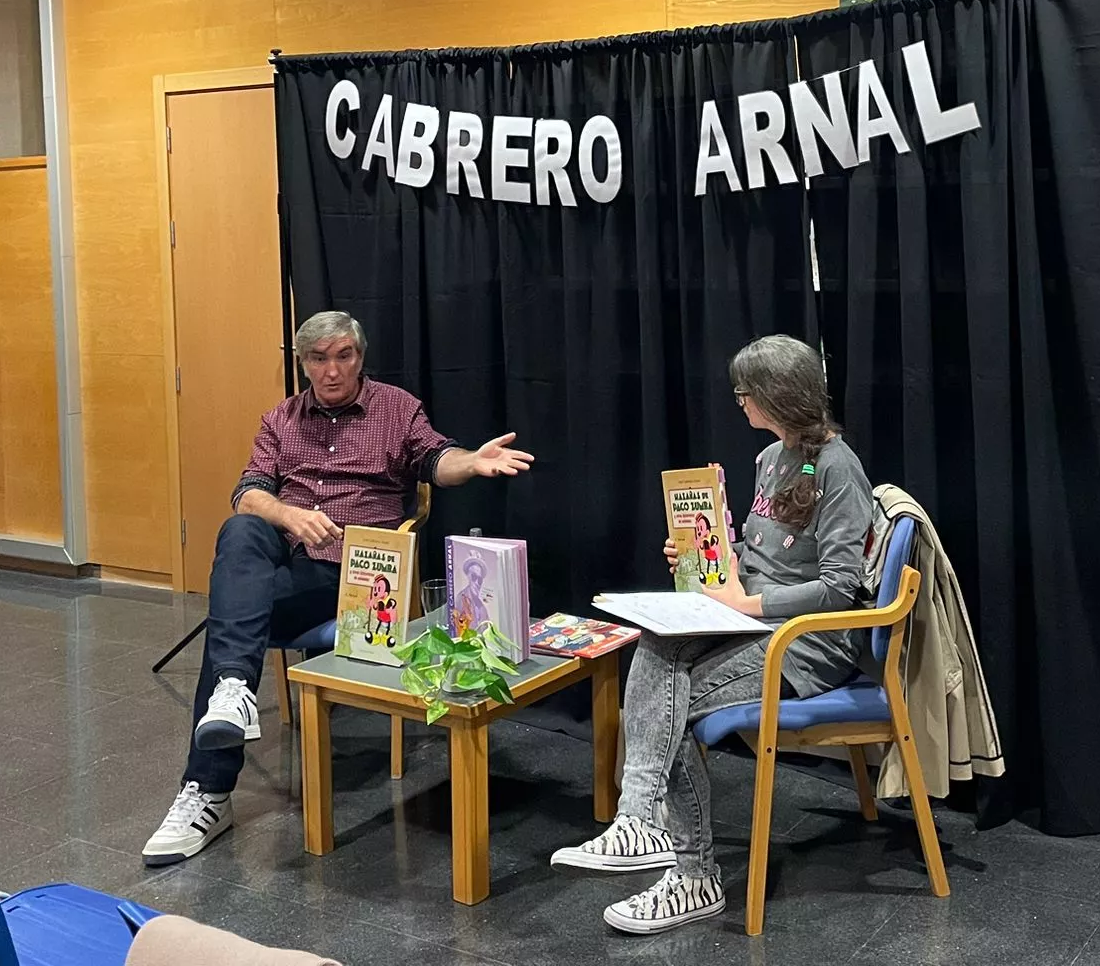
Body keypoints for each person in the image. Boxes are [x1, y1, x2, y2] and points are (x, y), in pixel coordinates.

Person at [143, 309, 532, 865]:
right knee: (244, 529)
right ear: (302, 364)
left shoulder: (395, 409)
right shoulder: (280, 419)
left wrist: (470, 461)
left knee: (232, 619)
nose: (332, 371)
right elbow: (248, 491)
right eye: (319, 359)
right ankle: (230, 704)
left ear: (360, 356)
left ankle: (209, 789)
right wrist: (290, 515)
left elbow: (434, 458)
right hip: (290, 561)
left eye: (343, 356)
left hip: (359, 577)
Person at [551, 334, 877, 934]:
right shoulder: (771, 458)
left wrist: (748, 600)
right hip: (753, 623)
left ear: (775, 396)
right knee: (654, 644)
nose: (739, 403)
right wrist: (702, 556)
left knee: (666, 704)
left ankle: (690, 872)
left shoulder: (839, 468)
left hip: (807, 642)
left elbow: (841, 587)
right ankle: (639, 820)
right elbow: (755, 559)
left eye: (744, 393)